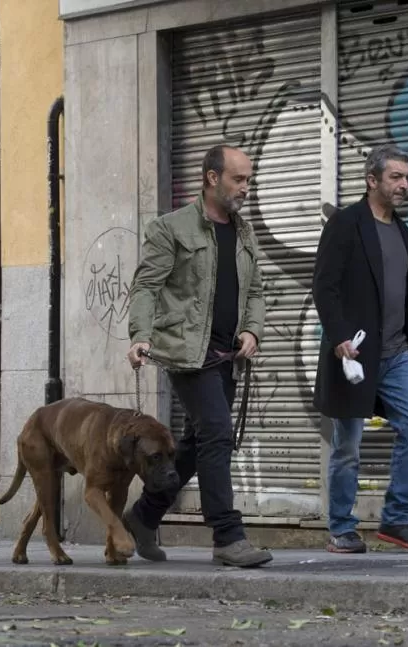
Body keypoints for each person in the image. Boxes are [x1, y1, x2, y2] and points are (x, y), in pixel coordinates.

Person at [125, 144, 272, 568]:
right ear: (212, 178)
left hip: (227, 356)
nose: (247, 187)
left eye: (248, 179)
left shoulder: (244, 232)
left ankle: (145, 515)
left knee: (195, 443)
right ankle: (227, 535)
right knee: (217, 433)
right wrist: (140, 335)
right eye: (238, 179)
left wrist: (252, 330)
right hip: (187, 353)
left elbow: (256, 292)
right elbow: (147, 286)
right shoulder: (170, 228)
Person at [312, 143, 408, 554]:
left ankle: (397, 519)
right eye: (396, 177)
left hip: (398, 352)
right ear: (372, 180)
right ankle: (342, 527)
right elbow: (324, 286)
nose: (405, 184)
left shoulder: (401, 228)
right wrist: (338, 337)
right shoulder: (346, 223)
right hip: (355, 353)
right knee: (348, 445)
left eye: (407, 177)